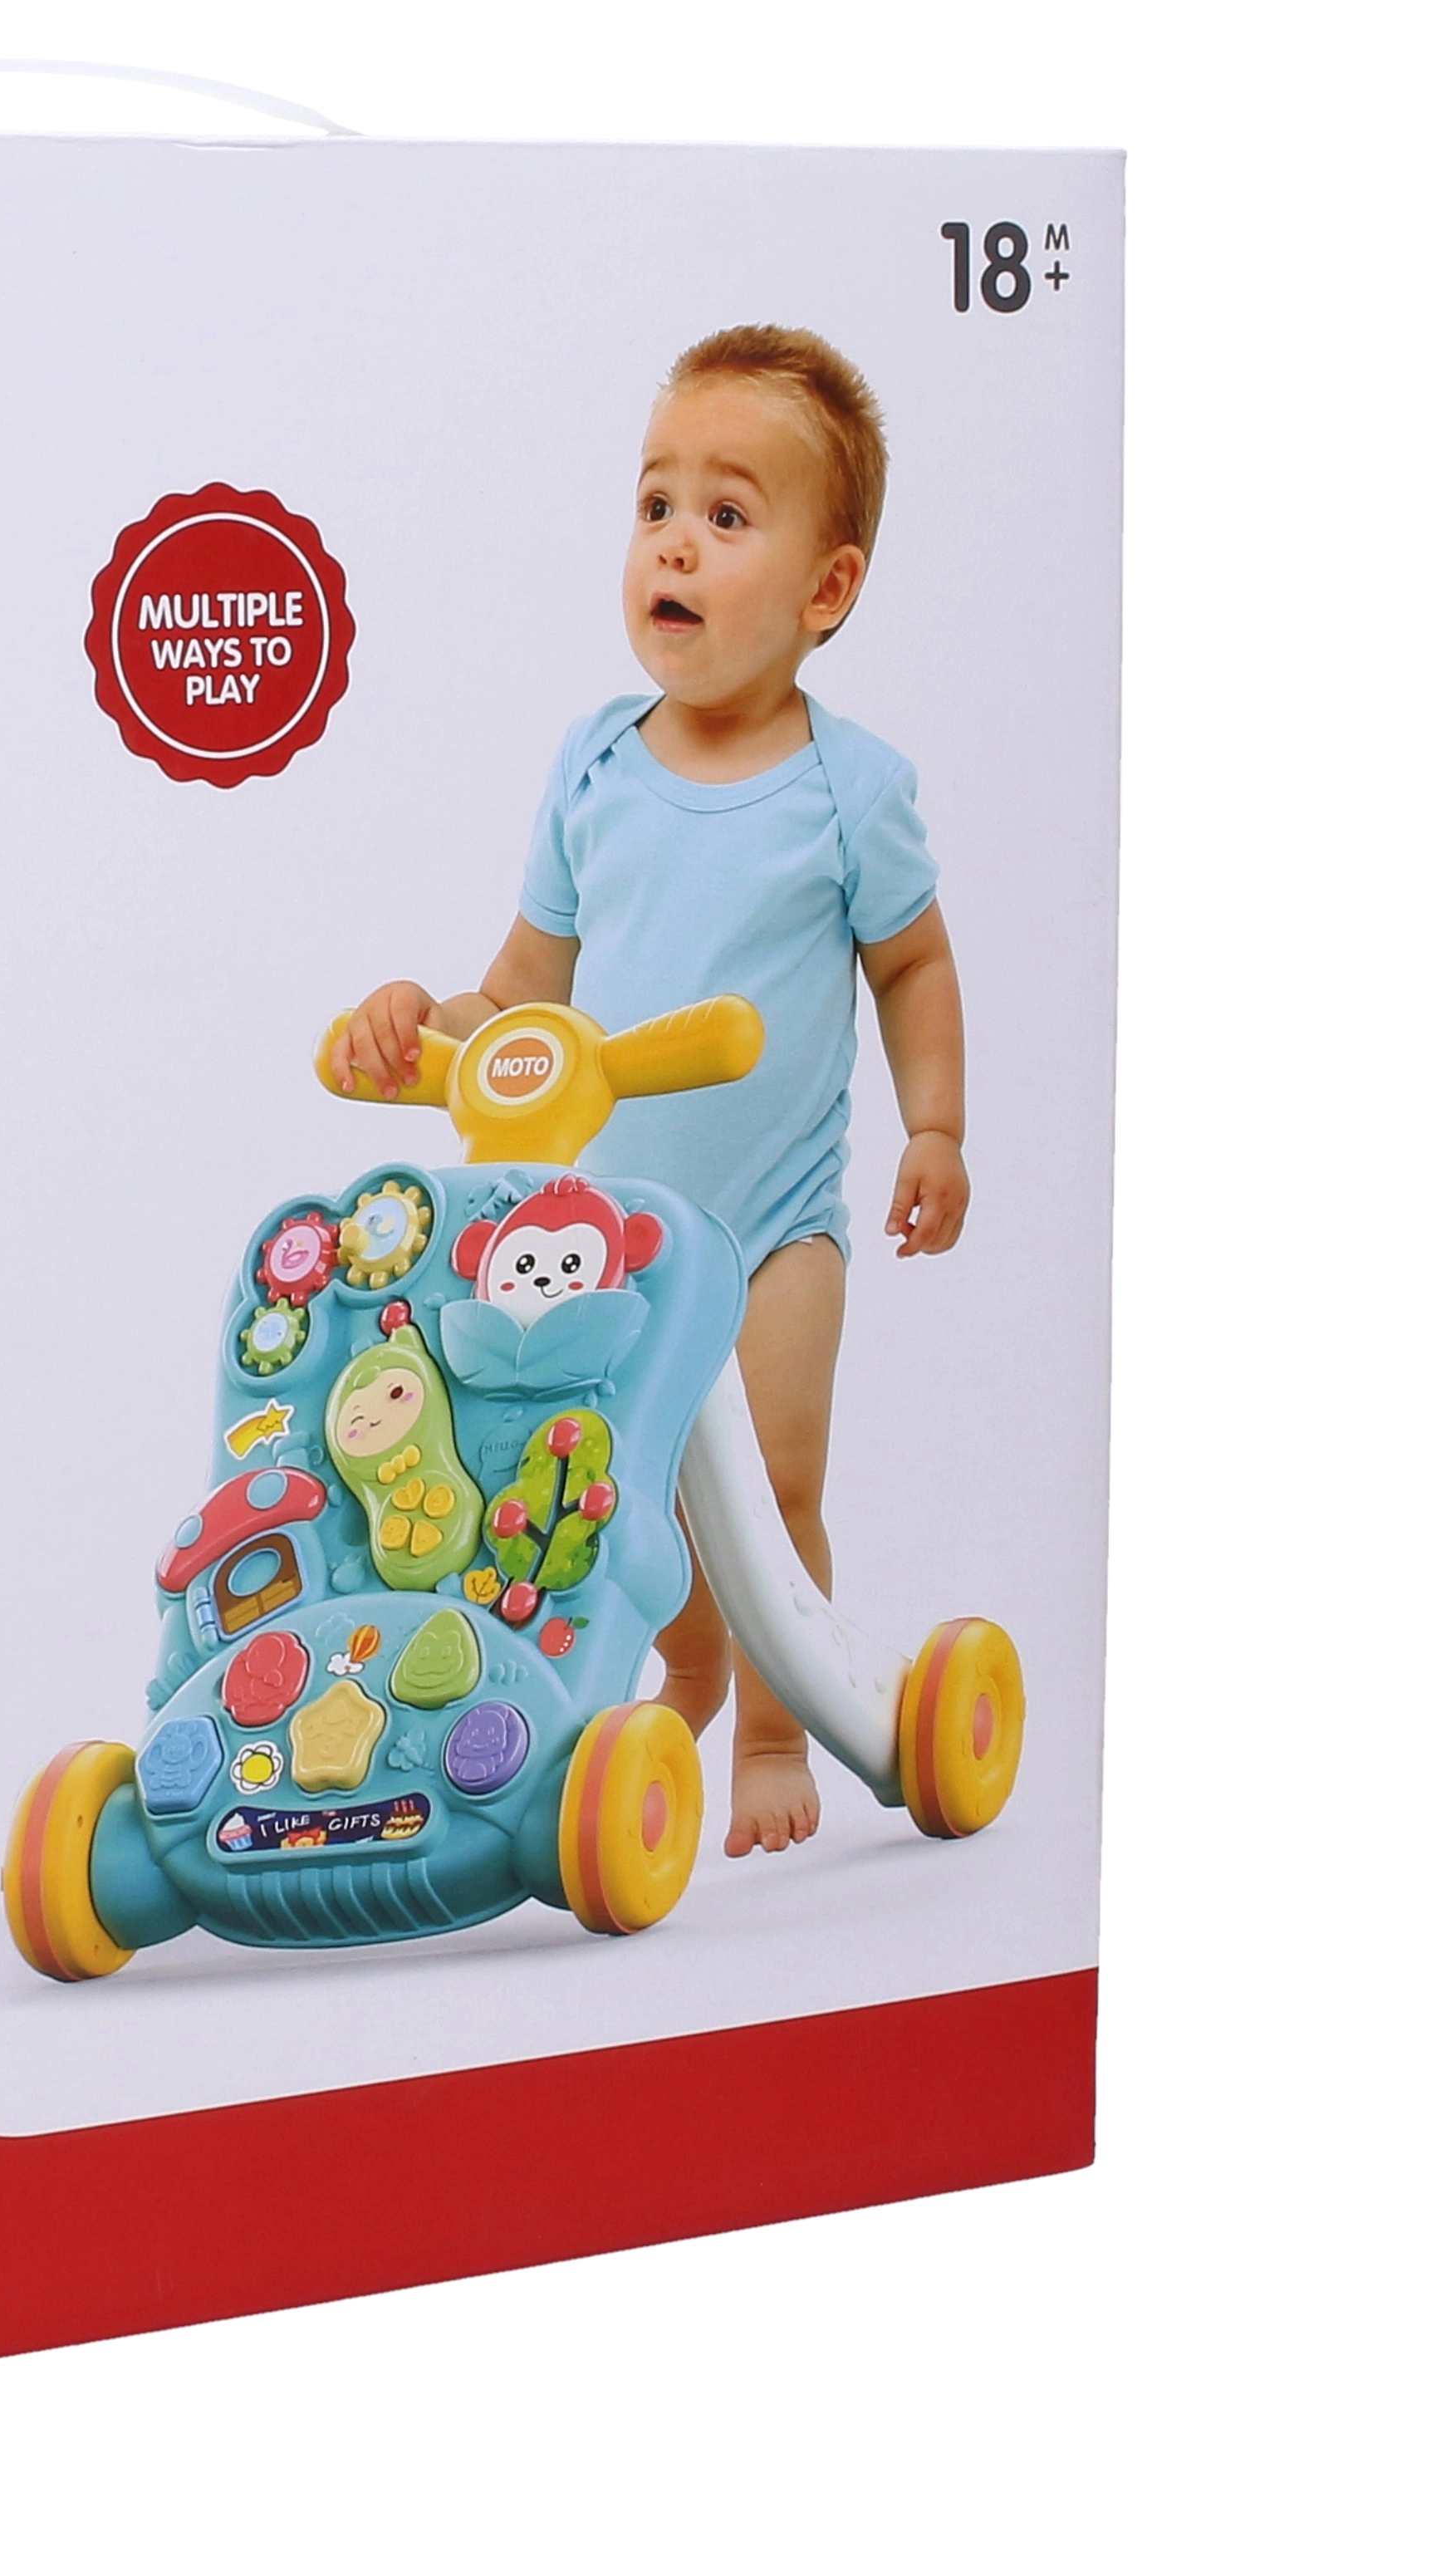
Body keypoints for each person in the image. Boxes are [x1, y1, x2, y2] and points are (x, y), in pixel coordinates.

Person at [326, 325, 971, 1857]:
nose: (674, 541)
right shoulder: (595, 768)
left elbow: (914, 966)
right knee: (620, 1488)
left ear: (826, 591)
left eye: (727, 515)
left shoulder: (850, 790)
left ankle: (778, 1731)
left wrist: (937, 1124)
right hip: (602, 1240)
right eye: (655, 504)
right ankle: (685, 1668)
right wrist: (418, 1023)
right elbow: (520, 998)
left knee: (779, 1476)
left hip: (774, 1226)